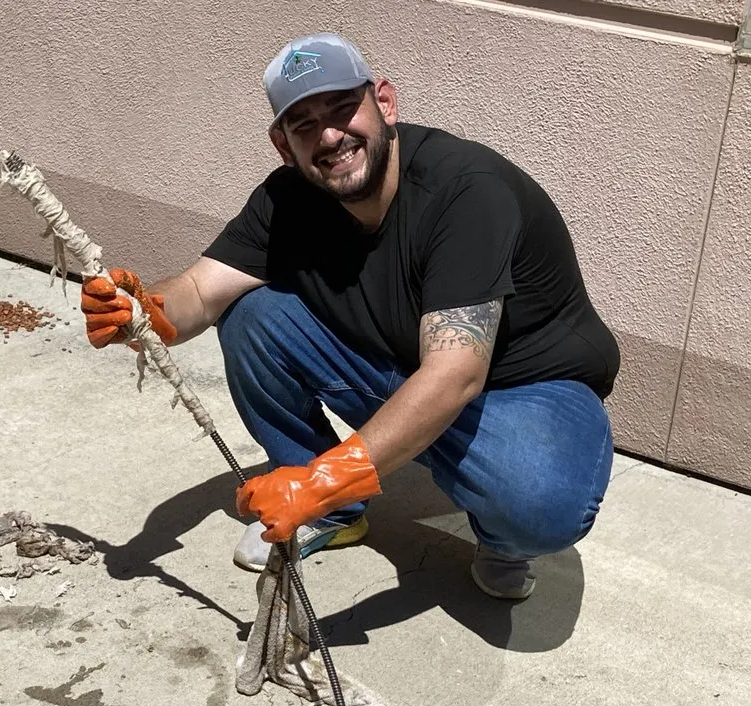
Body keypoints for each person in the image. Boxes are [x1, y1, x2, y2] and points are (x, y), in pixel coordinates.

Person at [80, 32, 620, 600]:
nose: (331, 136)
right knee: (252, 314)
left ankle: (500, 539)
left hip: (526, 388)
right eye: (304, 124)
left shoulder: (464, 191)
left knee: (539, 505)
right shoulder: (287, 201)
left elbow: (455, 374)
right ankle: (337, 513)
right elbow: (199, 289)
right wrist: (145, 313)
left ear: (384, 103)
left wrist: (321, 483)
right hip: (399, 362)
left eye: (343, 108)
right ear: (283, 144)